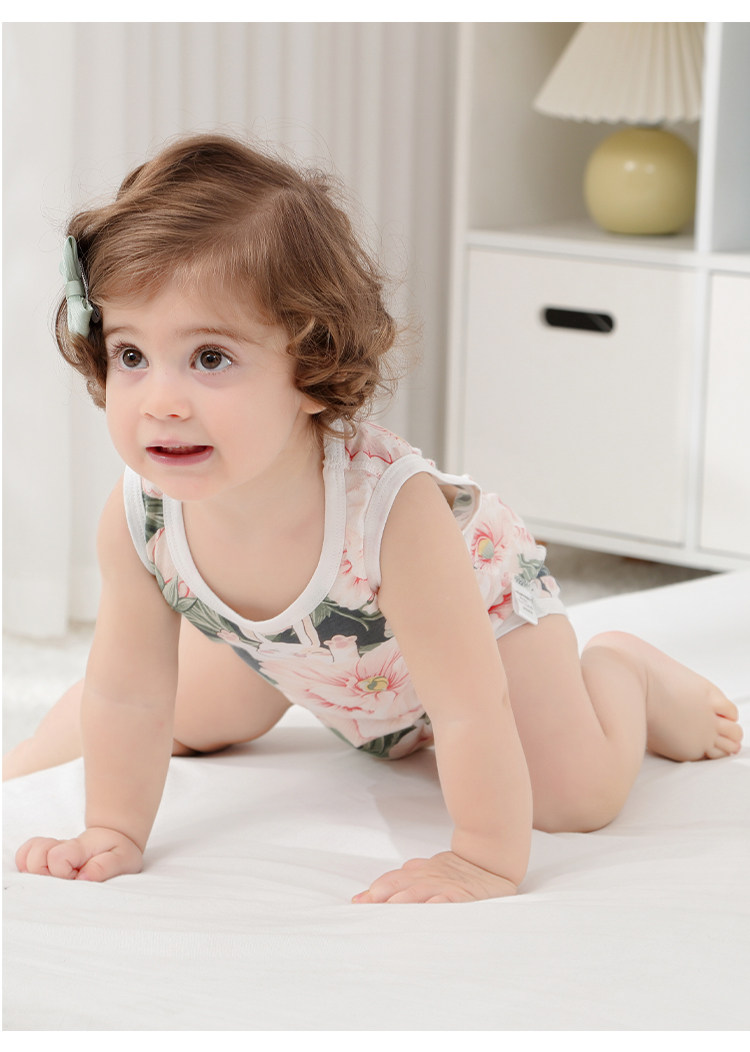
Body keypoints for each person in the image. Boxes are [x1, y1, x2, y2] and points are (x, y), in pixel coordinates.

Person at [4, 134, 743, 903]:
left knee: (572, 799)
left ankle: (626, 672)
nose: (160, 400)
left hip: (482, 638)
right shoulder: (142, 515)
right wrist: (113, 830)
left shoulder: (391, 513)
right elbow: (128, 691)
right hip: (313, 661)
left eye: (210, 358)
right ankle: (19, 763)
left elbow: (469, 703)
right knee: (171, 714)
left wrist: (482, 859)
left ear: (311, 366)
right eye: (131, 355)